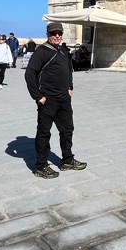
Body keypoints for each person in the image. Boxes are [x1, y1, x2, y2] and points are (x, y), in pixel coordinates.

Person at [25, 21, 86, 178]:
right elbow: (30, 73)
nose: (57, 36)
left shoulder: (63, 50)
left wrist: (70, 87)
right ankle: (41, 166)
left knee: (67, 130)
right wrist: (38, 96)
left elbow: (69, 69)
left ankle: (67, 160)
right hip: (48, 99)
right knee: (44, 132)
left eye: (59, 33)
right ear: (48, 34)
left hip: (64, 98)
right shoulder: (42, 51)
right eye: (54, 33)